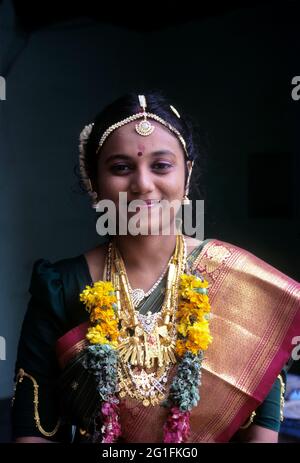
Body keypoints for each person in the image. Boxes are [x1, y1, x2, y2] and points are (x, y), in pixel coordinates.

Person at [12, 92, 300, 443]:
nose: (143, 185)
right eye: (121, 168)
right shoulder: (60, 287)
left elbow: (261, 434)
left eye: (161, 166)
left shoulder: (239, 283)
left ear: (187, 174)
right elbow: (34, 434)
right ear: (94, 180)